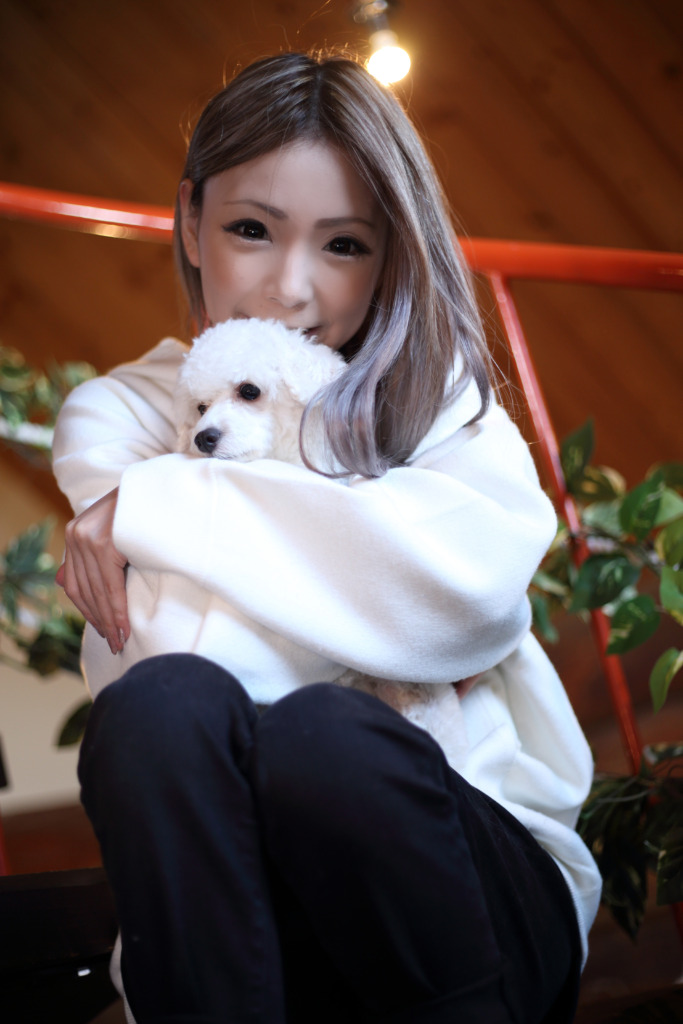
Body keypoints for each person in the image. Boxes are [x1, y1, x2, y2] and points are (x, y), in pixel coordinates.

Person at [53, 51, 601, 1024]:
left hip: (473, 883)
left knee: (323, 735)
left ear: (388, 255)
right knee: (158, 708)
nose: (289, 288)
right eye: (251, 229)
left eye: (343, 244)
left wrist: (149, 503)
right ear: (190, 218)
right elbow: (189, 649)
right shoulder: (119, 415)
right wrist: (367, 551)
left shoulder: (440, 402)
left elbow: (466, 594)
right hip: (256, 922)